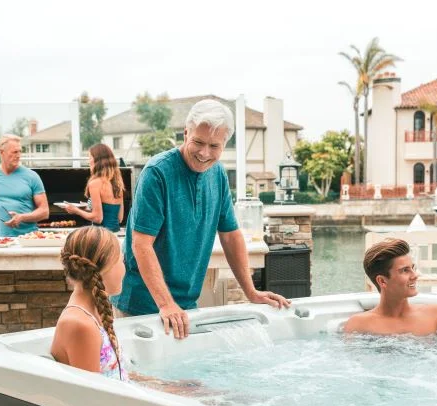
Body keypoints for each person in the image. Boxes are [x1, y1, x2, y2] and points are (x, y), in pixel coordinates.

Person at [113, 99, 290, 338]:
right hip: (140, 305)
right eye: (198, 142)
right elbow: (141, 244)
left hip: (185, 304)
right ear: (186, 134)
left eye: (214, 146)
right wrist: (165, 304)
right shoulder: (157, 173)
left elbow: (230, 235)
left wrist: (251, 291)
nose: (204, 153)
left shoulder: (217, 174)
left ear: (224, 144)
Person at [50, 226, 127, 380]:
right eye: (121, 260)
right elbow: (93, 399)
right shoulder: (80, 325)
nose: (125, 268)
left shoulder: (94, 310)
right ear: (104, 269)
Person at [344, 238, 437, 336]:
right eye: (405, 270)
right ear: (382, 281)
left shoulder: (436, 314)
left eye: (413, 268)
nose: (415, 275)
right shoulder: (358, 324)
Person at [63, 143, 124, 232]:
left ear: (97, 160)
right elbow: (119, 218)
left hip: (101, 236)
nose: (88, 161)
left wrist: (76, 210)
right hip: (115, 234)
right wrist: (86, 208)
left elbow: (97, 218)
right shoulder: (117, 183)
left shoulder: (95, 183)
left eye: (90, 157)